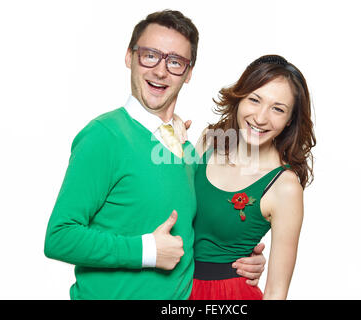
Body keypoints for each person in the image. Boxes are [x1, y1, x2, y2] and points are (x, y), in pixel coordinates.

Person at [44, 9, 265, 300]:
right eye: (150, 55)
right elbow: (59, 237)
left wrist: (238, 259)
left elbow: (187, 239)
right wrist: (146, 251)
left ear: (188, 74)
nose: (160, 71)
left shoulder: (186, 151)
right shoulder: (104, 135)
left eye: (175, 62)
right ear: (129, 57)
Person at [187, 54, 316, 300]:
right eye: (254, 100)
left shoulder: (284, 187)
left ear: (290, 121)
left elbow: (276, 292)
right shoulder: (209, 140)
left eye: (278, 109)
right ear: (240, 97)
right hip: (173, 287)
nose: (260, 118)